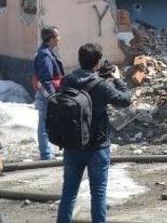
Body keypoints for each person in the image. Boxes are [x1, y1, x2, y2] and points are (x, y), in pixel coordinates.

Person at [55, 43, 132, 223]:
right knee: (98, 194)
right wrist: (118, 79)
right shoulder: (102, 86)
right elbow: (124, 100)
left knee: (68, 193)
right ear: (97, 63)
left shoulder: (68, 80)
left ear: (79, 59)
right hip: (97, 146)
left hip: (72, 144)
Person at [32, 26, 64, 161]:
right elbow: (46, 79)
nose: (59, 39)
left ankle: (48, 150)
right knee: (44, 122)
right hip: (46, 95)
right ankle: (46, 154)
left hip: (47, 94)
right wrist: (52, 96)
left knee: (47, 122)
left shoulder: (47, 52)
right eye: (57, 37)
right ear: (51, 39)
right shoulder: (45, 55)